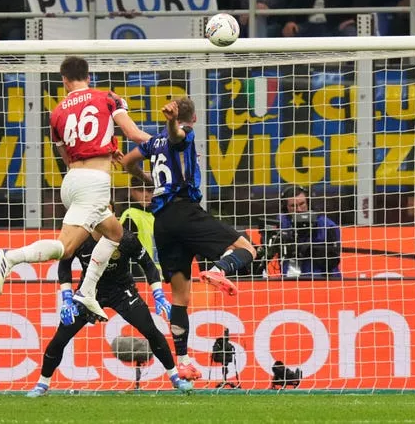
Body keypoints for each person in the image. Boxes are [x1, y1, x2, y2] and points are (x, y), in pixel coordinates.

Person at [0, 56, 152, 323]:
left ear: (64, 81)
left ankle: (87, 292)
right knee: (66, 249)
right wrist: (166, 145)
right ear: (89, 77)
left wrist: (106, 150)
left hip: (72, 180)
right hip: (94, 183)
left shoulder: (56, 113)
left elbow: (68, 156)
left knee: (114, 233)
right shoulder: (108, 98)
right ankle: (10, 257)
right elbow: (135, 134)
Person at [121, 97, 257, 381]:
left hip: (163, 223)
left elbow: (128, 160)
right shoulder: (181, 134)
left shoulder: (153, 142)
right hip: (185, 211)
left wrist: (150, 180)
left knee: (180, 298)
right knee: (247, 248)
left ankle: (182, 361)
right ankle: (219, 270)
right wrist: (172, 121)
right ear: (193, 119)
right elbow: (177, 136)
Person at [26, 227, 193, 397]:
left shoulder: (125, 237)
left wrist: (159, 294)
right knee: (60, 338)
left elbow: (148, 265)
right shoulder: (79, 238)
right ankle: (42, 384)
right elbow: (64, 266)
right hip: (89, 292)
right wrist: (67, 298)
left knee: (151, 331)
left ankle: (175, 377)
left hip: (122, 292)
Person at [273, 185, 341, 278]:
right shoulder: (281, 223)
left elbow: (333, 260)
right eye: (293, 206)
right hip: (290, 282)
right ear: (285, 207)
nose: (299, 210)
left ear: (308, 202)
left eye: (302, 204)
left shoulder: (327, 225)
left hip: (322, 281)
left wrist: (307, 250)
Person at [119, 176, 156, 265]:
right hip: (140, 274)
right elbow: (124, 251)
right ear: (132, 191)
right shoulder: (131, 214)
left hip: (158, 274)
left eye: (149, 190)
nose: (146, 194)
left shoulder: (156, 215)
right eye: (140, 190)